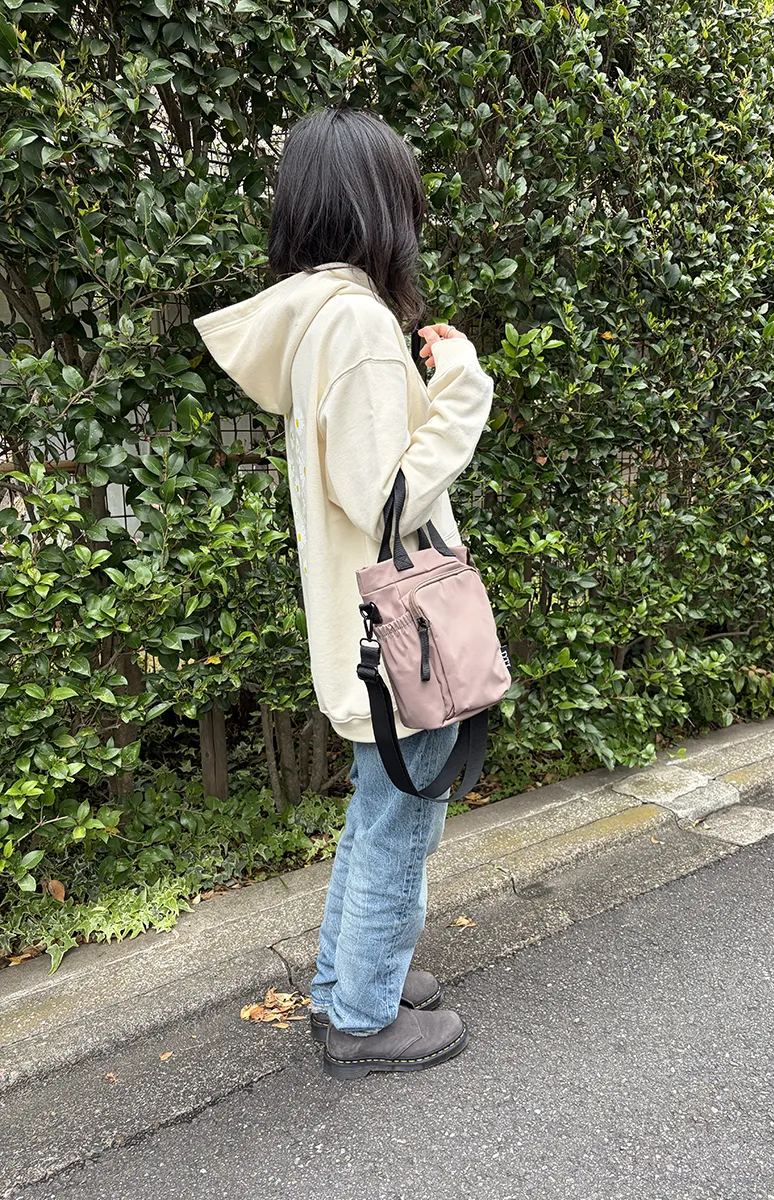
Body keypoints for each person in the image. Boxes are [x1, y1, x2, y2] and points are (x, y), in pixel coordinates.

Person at [194, 107, 494, 1080]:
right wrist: (462, 389)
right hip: (402, 633)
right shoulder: (358, 326)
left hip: (362, 626)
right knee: (400, 823)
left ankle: (352, 979)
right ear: (376, 206)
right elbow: (388, 500)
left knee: (380, 811)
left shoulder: (317, 321)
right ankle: (363, 1020)